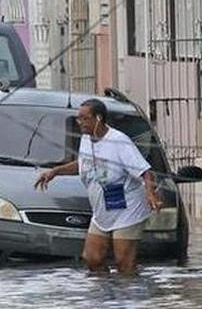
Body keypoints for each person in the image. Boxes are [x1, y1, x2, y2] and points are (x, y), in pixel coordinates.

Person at [35, 99, 162, 275]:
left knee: (123, 263)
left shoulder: (119, 141)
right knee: (92, 258)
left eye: (85, 119)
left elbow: (146, 172)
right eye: (78, 119)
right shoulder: (86, 139)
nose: (80, 123)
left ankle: (130, 297)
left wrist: (150, 194)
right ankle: (104, 296)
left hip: (128, 207)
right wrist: (55, 172)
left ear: (99, 118)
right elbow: (83, 164)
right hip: (103, 209)